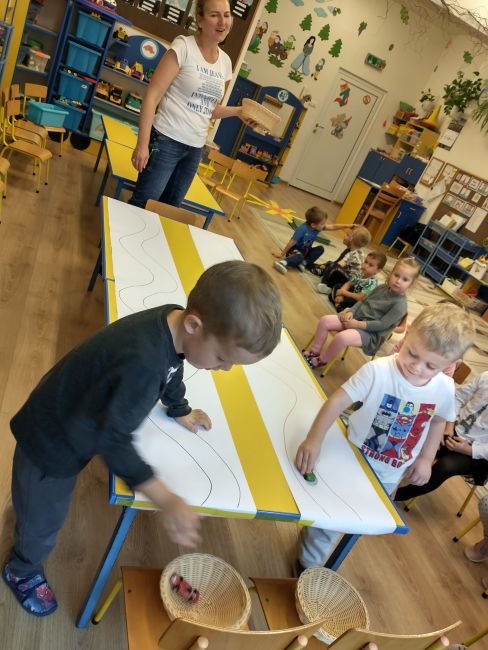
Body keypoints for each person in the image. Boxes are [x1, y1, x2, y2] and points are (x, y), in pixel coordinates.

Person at [3, 261, 282, 617]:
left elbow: (174, 368)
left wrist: (179, 408)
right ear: (195, 325)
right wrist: (165, 498)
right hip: (50, 445)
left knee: (35, 506)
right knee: (44, 523)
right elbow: (113, 440)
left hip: (70, 421)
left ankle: (27, 508)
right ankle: (21, 569)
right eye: (223, 358)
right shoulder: (143, 362)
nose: (225, 369)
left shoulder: (173, 324)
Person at [295, 302, 476, 570]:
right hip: (352, 460)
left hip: (391, 472)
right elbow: (336, 402)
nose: (416, 367)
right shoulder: (378, 371)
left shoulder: (445, 387)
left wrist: (426, 459)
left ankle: (314, 540)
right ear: (408, 333)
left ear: (450, 365)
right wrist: (314, 439)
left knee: (359, 517)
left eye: (430, 365)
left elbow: (438, 421)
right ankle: (307, 562)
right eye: (412, 353)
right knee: (333, 517)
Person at [129, 0, 247, 209]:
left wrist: (239, 111)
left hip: (194, 149)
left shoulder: (225, 63)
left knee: (168, 209)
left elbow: (209, 109)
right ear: (199, 20)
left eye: (227, 15)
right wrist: (142, 144)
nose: (223, 22)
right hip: (165, 140)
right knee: (143, 204)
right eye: (214, 15)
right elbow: (152, 96)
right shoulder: (183, 47)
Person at [303, 258, 420, 370]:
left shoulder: (400, 305)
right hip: (356, 319)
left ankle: (322, 360)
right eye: (396, 275)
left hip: (370, 334)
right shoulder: (381, 287)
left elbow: (381, 324)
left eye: (405, 279)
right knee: (325, 320)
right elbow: (363, 301)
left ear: (411, 284)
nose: (398, 281)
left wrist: (357, 324)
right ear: (391, 274)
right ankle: (314, 352)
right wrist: (351, 311)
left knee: (341, 337)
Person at [395, 370, 488, 502]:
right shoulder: (485, 376)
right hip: (453, 427)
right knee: (417, 439)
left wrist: (469, 449)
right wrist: (449, 424)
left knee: (445, 467)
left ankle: (399, 495)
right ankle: (393, 476)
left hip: (475, 452)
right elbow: (458, 397)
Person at [272, 206, 355, 275]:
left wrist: (349, 226)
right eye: (322, 224)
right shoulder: (302, 229)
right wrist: (282, 254)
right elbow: (292, 242)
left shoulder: (317, 228)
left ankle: (303, 262)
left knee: (320, 249)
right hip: (294, 251)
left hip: (305, 251)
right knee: (299, 256)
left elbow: (333, 227)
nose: (324, 225)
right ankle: (283, 263)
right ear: (313, 225)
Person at [316, 227, 372, 294]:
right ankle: (323, 273)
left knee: (333, 266)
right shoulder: (352, 251)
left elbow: (339, 265)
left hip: (350, 280)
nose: (345, 235)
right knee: (331, 264)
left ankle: (325, 284)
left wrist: (328, 268)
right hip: (347, 276)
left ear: (351, 238)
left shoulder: (355, 254)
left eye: (348, 235)